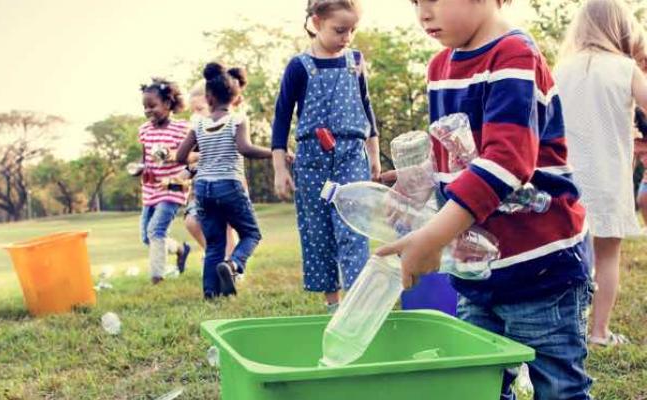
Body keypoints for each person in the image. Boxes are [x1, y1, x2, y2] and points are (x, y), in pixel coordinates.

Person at [379, 0, 594, 398]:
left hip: (540, 270)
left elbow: (505, 164)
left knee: (559, 386)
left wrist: (431, 238)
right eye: (414, 2)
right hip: (478, 273)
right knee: (478, 385)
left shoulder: (513, 56)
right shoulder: (440, 67)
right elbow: (456, 148)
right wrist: (420, 179)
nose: (423, 13)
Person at [271, 0, 382, 313]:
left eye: (352, 30)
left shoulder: (355, 61)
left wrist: (373, 154)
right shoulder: (298, 66)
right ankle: (333, 304)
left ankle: (358, 304)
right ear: (317, 22)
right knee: (318, 230)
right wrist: (280, 167)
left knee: (353, 227)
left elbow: (366, 106)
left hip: (351, 154)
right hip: (312, 158)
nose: (346, 37)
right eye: (339, 30)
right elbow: (281, 118)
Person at [555, 0, 647, 347]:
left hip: (565, 180)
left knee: (567, 255)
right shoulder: (625, 69)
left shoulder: (561, 68)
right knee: (608, 257)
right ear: (622, 29)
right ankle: (599, 332)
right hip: (608, 178)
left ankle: (568, 328)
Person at [177, 63, 279, 298]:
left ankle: (210, 293)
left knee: (214, 244)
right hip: (229, 185)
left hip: (203, 188)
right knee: (252, 234)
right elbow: (245, 149)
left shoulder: (198, 124)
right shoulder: (238, 120)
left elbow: (181, 157)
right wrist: (275, 151)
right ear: (235, 99)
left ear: (208, 97)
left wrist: (201, 153)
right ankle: (233, 265)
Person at [138, 78, 192, 284]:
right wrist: (141, 170)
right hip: (151, 188)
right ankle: (180, 249)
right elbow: (146, 159)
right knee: (147, 237)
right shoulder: (144, 130)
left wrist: (172, 155)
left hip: (174, 186)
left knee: (155, 231)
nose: (148, 111)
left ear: (168, 104)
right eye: (145, 107)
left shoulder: (182, 129)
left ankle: (157, 277)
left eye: (152, 106)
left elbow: (191, 156)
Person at [183, 81, 239, 259]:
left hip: (227, 186)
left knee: (226, 227)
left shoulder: (230, 126)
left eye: (199, 109)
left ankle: (231, 267)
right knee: (192, 222)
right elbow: (188, 159)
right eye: (193, 111)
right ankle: (216, 255)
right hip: (201, 189)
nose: (195, 115)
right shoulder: (197, 131)